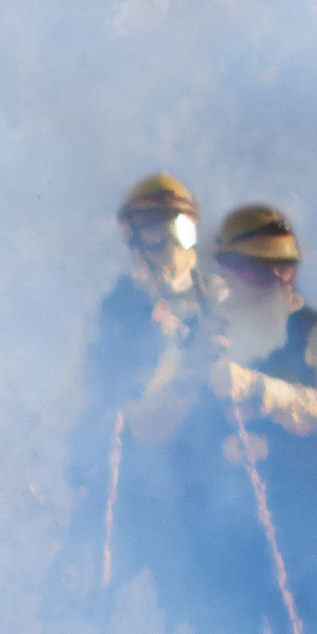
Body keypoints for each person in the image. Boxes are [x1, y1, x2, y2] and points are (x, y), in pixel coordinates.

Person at [175, 202, 317, 634]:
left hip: (302, 525)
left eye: (277, 267)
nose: (270, 279)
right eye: (251, 268)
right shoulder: (206, 335)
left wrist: (261, 391)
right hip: (223, 531)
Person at [83, 173, 207, 583]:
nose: (167, 248)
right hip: (133, 467)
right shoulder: (120, 306)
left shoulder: (214, 300)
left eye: (176, 232)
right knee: (84, 573)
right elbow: (103, 378)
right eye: (153, 235)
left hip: (200, 471)